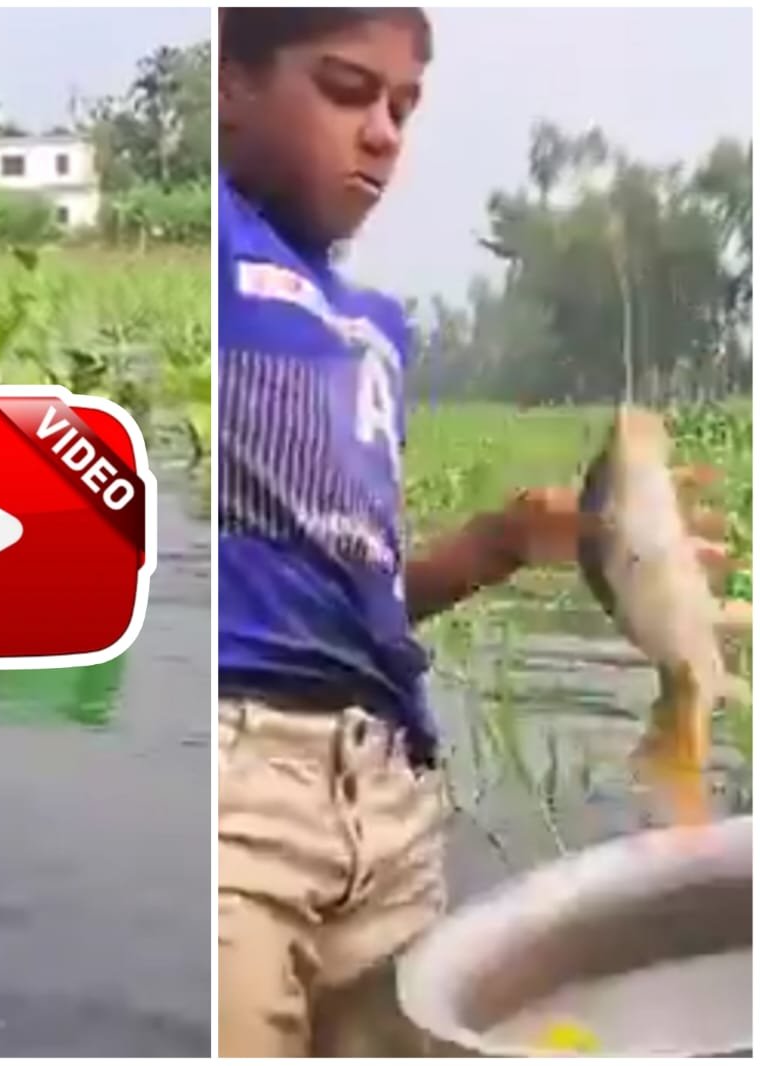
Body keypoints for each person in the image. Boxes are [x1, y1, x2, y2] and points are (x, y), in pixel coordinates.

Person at [216, 8, 590, 1056]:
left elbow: (358, 589)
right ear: (230, 84)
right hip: (242, 794)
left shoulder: (378, 330)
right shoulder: (212, 252)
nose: (381, 131)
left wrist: (497, 543)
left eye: (403, 106)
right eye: (345, 90)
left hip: (387, 789)